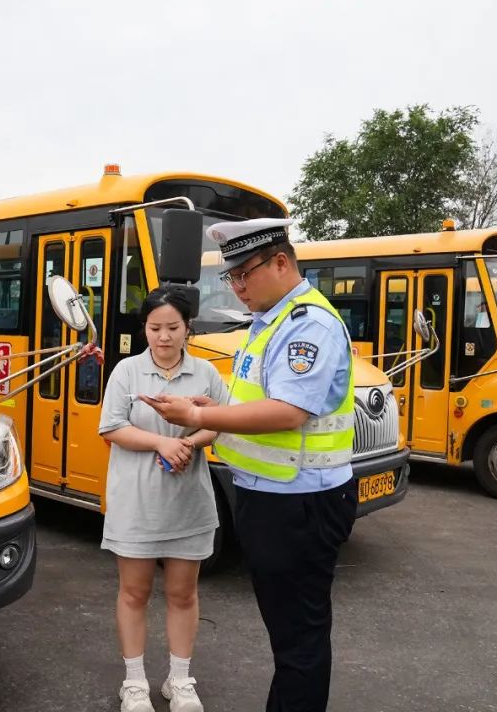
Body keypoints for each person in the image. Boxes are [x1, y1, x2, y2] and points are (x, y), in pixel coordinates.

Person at [141, 219, 358, 712]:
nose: (237, 288)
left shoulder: (308, 325)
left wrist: (198, 414)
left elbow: (288, 410)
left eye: (244, 274)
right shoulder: (270, 322)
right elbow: (253, 399)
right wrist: (208, 412)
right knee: (289, 635)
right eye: (230, 278)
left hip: (299, 503)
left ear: (281, 262)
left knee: (298, 640)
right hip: (272, 497)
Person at [97, 284, 226, 712]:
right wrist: (160, 443)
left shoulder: (206, 373)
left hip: (187, 502)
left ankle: (179, 679)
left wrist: (191, 443)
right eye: (155, 328)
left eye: (173, 327)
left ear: (188, 328)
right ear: (144, 329)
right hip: (136, 503)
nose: (164, 337)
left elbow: (220, 422)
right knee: (134, 592)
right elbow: (112, 427)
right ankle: (134, 683)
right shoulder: (126, 373)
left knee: (182, 594)